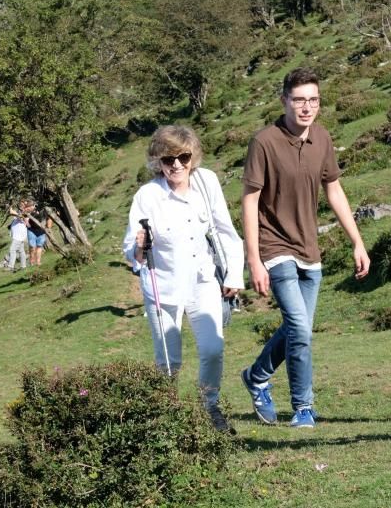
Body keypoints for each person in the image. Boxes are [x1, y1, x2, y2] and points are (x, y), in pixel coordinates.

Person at [239, 67, 370, 429]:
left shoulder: (323, 139)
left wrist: (357, 241)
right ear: (284, 101)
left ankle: (256, 376)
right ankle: (303, 407)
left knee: (298, 329)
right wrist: (254, 261)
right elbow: (249, 201)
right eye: (299, 100)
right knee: (300, 327)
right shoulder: (264, 141)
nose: (306, 107)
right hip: (274, 246)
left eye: (313, 100)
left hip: (309, 251)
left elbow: (335, 191)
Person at [123, 125, 244, 433]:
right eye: (168, 159)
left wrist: (233, 274)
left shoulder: (207, 183)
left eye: (183, 157)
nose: (176, 165)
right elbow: (131, 248)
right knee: (168, 360)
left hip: (202, 281)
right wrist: (138, 245)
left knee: (213, 348)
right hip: (161, 287)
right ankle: (168, 414)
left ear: (193, 158)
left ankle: (210, 407)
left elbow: (227, 231)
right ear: (157, 162)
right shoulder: (147, 196)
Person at [23, 199, 53, 267]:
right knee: (32, 246)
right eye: (27, 207)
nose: (28, 208)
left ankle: (38, 262)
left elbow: (49, 218)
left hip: (41, 230)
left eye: (29, 206)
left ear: (33, 206)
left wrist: (48, 227)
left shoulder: (42, 210)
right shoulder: (26, 213)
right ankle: (31, 261)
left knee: (39, 246)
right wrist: (27, 218)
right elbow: (27, 223)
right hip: (31, 230)